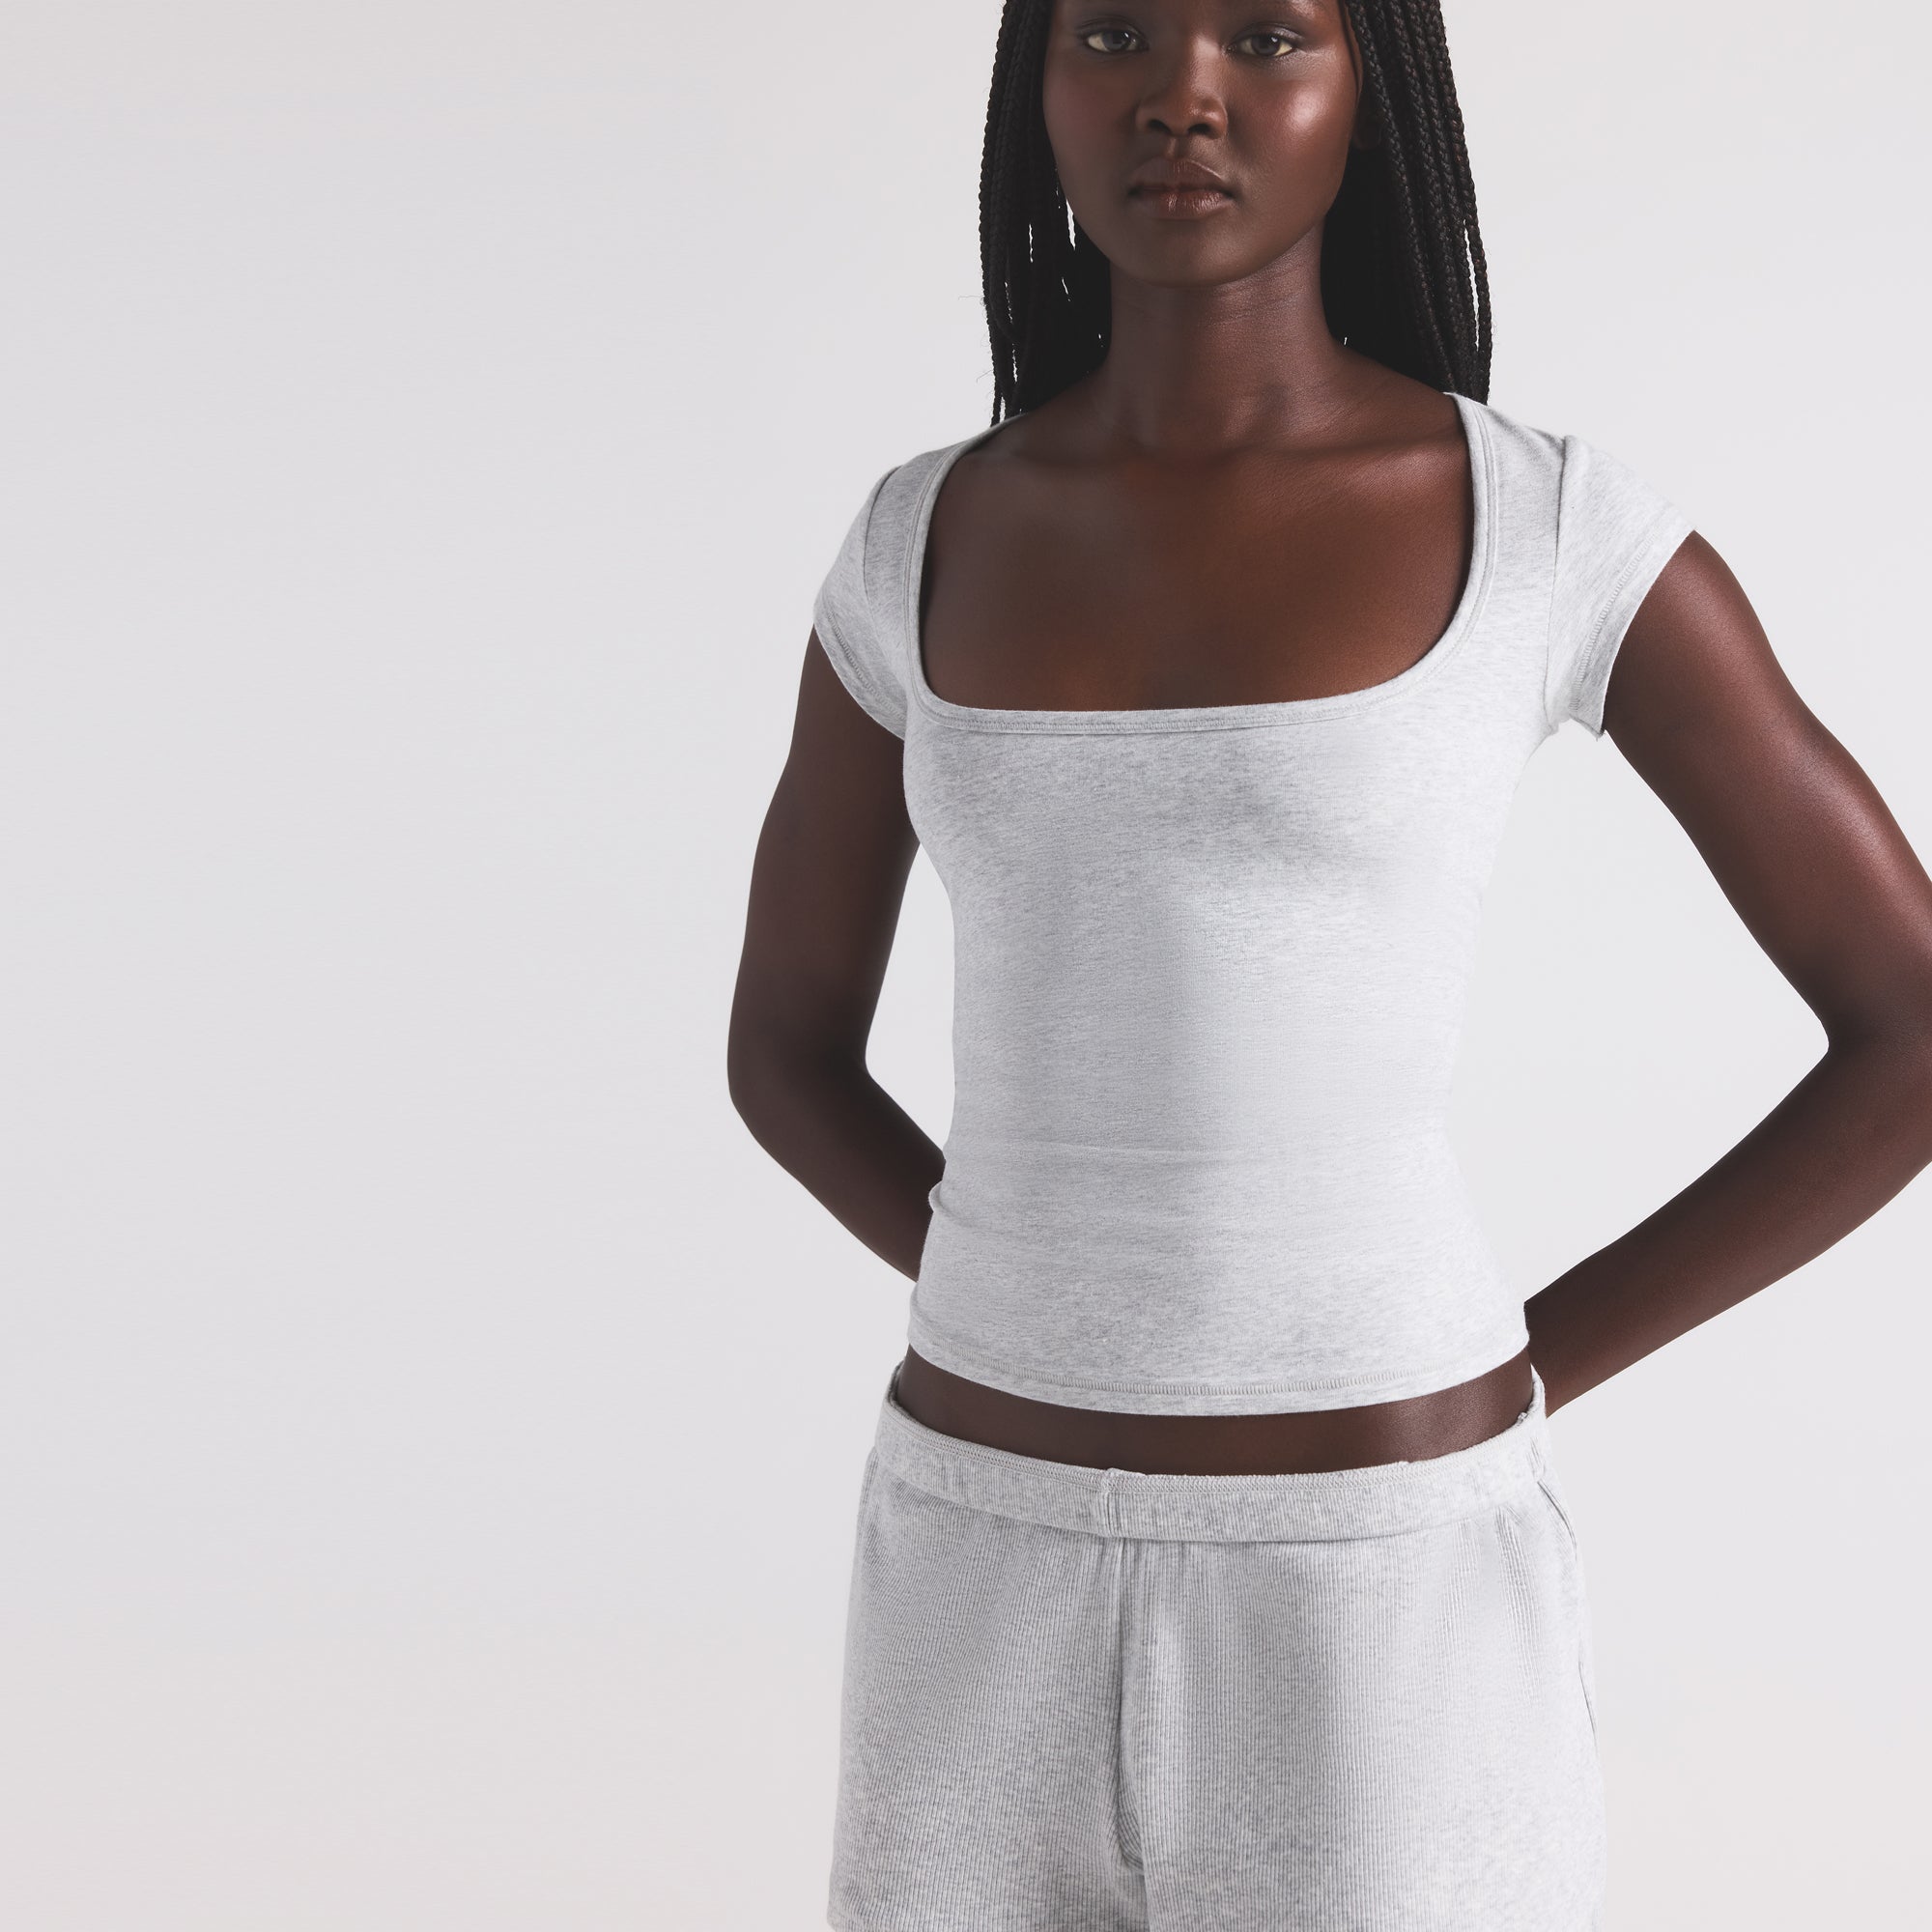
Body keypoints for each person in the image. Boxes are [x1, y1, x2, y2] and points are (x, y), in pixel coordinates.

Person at [727, 1, 1932, 1925]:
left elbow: (1909, 1023)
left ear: (1370, 87)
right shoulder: (913, 542)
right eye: (1114, 32)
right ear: (1038, 81)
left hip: (1381, 1592)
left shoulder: (1547, 528)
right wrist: (1026, 1283)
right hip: (971, 1576)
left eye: (1270, 34)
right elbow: (783, 1050)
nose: (1182, 93)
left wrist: (1530, 1361)